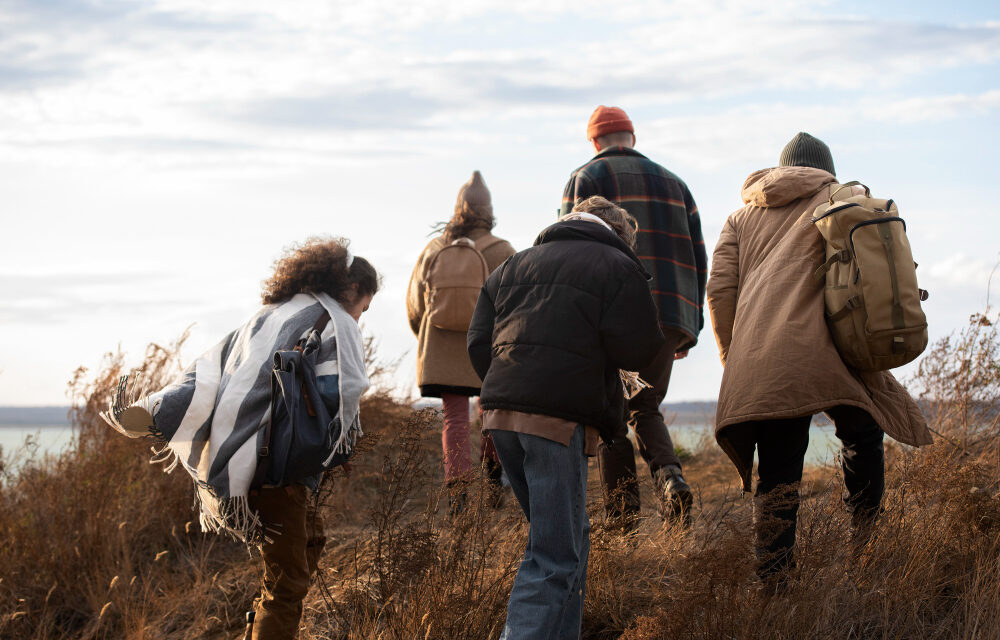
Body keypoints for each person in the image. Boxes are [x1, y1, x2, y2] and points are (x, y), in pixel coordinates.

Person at [101, 237, 379, 640]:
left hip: (240, 464)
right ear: (352, 290)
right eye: (364, 308)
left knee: (306, 544)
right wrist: (339, 446)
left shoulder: (265, 317)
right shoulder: (336, 320)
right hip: (280, 469)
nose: (360, 318)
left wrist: (152, 411)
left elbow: (205, 376)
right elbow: (346, 392)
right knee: (289, 585)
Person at [706, 132, 933, 585]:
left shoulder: (740, 218)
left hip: (770, 355)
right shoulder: (847, 198)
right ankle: (865, 552)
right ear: (825, 166)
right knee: (862, 437)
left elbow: (719, 292)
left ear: (780, 169)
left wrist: (737, 360)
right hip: (842, 348)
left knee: (778, 468)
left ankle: (773, 580)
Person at [468, 196, 664, 639]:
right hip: (554, 425)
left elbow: (479, 341)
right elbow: (641, 348)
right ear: (620, 236)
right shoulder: (617, 266)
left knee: (568, 542)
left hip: (501, 418)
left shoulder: (513, 266)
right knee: (554, 558)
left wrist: (513, 388)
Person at [560, 105, 707, 525]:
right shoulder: (677, 183)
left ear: (594, 141)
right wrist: (687, 327)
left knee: (612, 415)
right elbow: (699, 258)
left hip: (613, 311)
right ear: (632, 137)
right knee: (645, 402)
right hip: (671, 314)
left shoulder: (586, 179)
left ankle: (622, 518)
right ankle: (669, 476)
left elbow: (567, 250)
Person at [407, 171, 515, 509]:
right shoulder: (503, 251)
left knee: (454, 417)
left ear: (458, 208)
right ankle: (494, 480)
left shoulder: (434, 248)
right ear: (489, 211)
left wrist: (427, 338)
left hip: (441, 347)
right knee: (491, 413)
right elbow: (516, 305)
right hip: (488, 346)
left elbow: (415, 305)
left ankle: (457, 494)